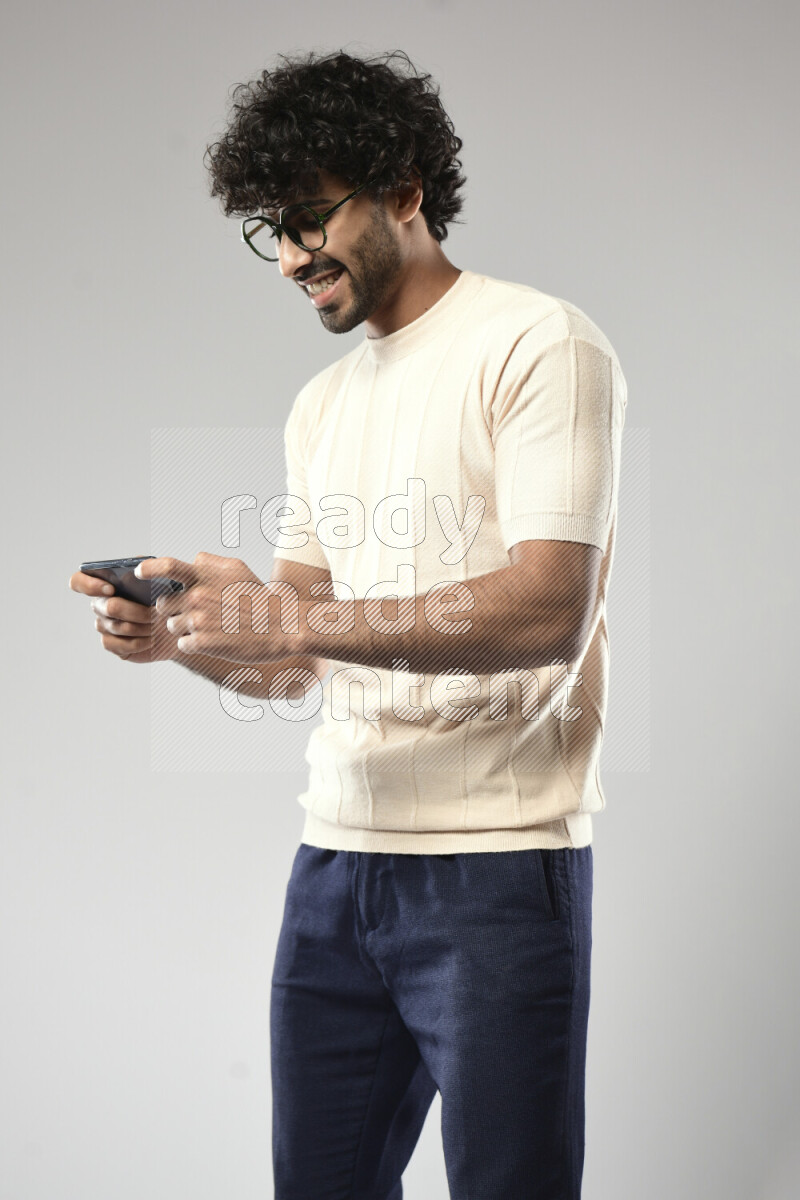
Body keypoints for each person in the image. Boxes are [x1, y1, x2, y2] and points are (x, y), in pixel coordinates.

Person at [70, 48, 627, 1200]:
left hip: (497, 871)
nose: (287, 257)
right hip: (334, 867)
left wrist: (293, 616)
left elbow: (545, 609)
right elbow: (295, 661)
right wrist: (183, 638)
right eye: (269, 230)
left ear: (404, 189)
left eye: (307, 218)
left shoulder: (537, 343)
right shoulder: (322, 405)